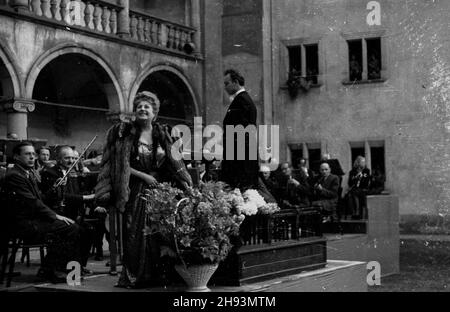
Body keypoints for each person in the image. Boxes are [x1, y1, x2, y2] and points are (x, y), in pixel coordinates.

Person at [95, 91, 193, 288]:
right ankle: (136, 276)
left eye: (147, 107)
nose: (142, 109)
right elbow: (119, 164)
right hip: (135, 188)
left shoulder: (164, 133)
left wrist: (186, 182)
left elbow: (175, 162)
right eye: (139, 106)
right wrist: (144, 176)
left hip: (161, 189)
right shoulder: (124, 134)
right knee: (136, 233)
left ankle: (160, 275)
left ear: (154, 112)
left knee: (161, 233)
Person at [2, 142, 81, 283]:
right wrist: (55, 215)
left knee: (71, 226)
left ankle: (52, 268)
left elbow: (41, 199)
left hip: (32, 220)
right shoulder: (15, 175)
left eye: (33, 154)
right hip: (22, 224)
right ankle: (51, 270)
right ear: (16, 156)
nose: (32, 157)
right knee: (69, 228)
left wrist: (54, 188)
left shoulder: (27, 173)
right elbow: (33, 202)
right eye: (27, 154)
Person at [39, 146, 96, 273]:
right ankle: (67, 267)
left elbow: (76, 192)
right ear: (59, 159)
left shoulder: (72, 173)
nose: (71, 161)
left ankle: (79, 265)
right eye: (67, 158)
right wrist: (84, 197)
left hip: (71, 212)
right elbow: (61, 197)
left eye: (73, 158)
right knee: (75, 231)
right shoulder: (50, 173)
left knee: (89, 230)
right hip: (57, 213)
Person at [221, 69, 258, 190]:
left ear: (236, 82)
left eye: (227, 83)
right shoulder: (245, 100)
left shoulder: (241, 101)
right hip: (244, 159)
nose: (225, 87)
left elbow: (239, 137)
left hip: (239, 162)